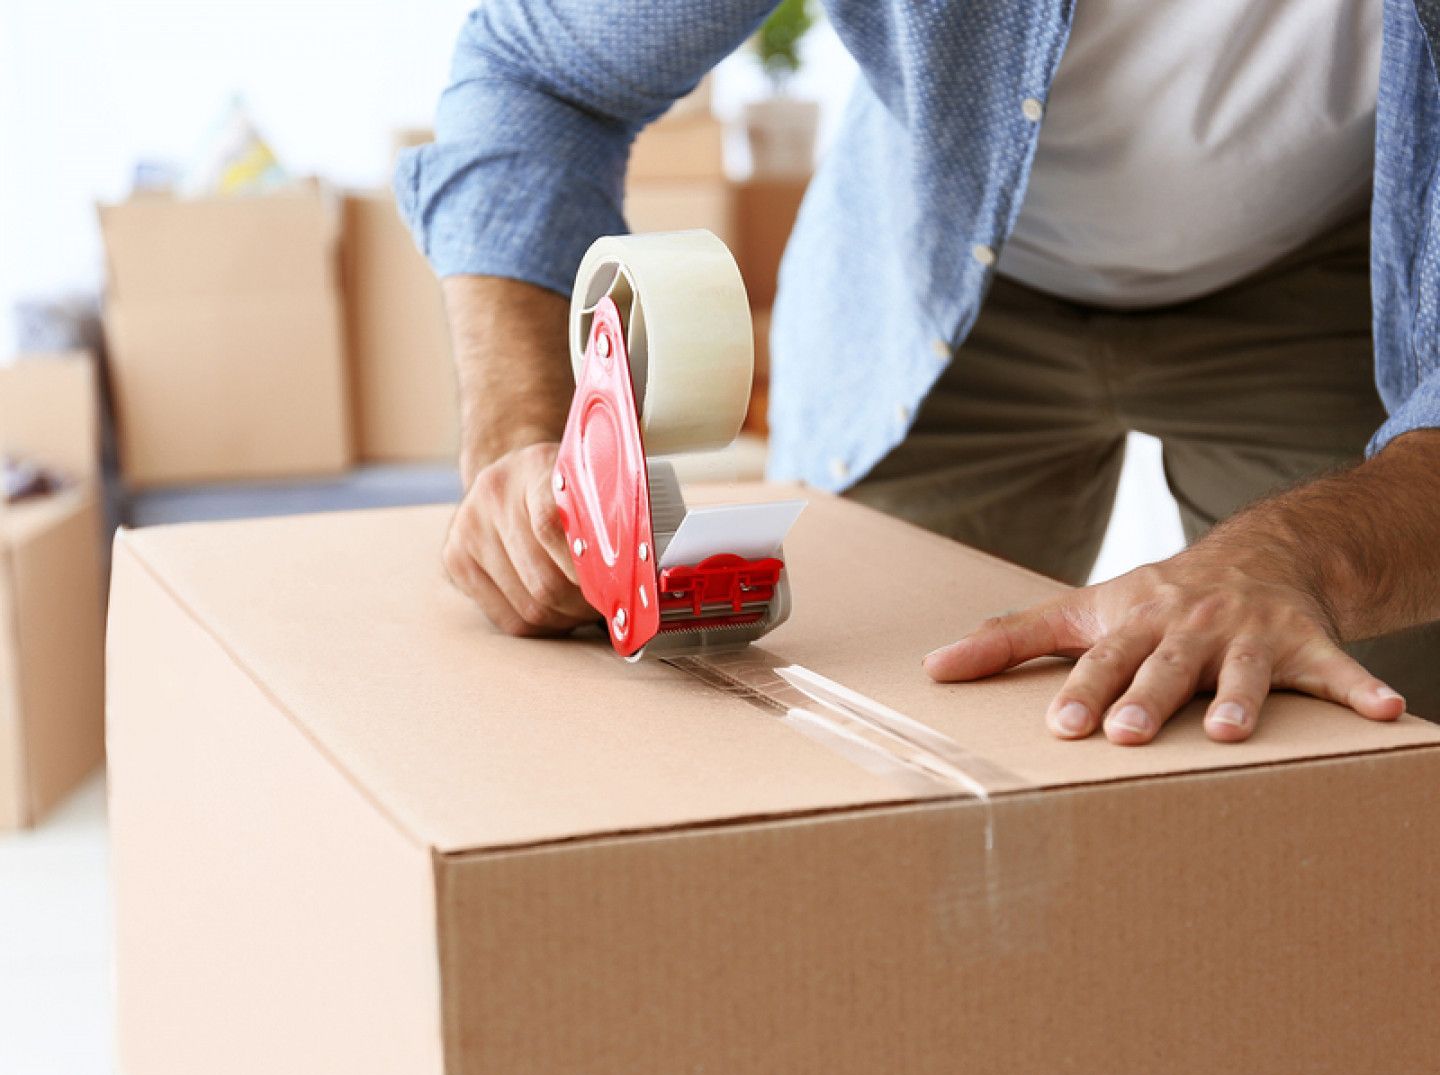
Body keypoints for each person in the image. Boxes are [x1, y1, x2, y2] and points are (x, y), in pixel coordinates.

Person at [396, 0, 1440, 746]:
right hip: (940, 263)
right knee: (820, 719)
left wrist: (1309, 556)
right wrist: (526, 441)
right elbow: (544, 79)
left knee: (1375, 746)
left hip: (1331, 280)